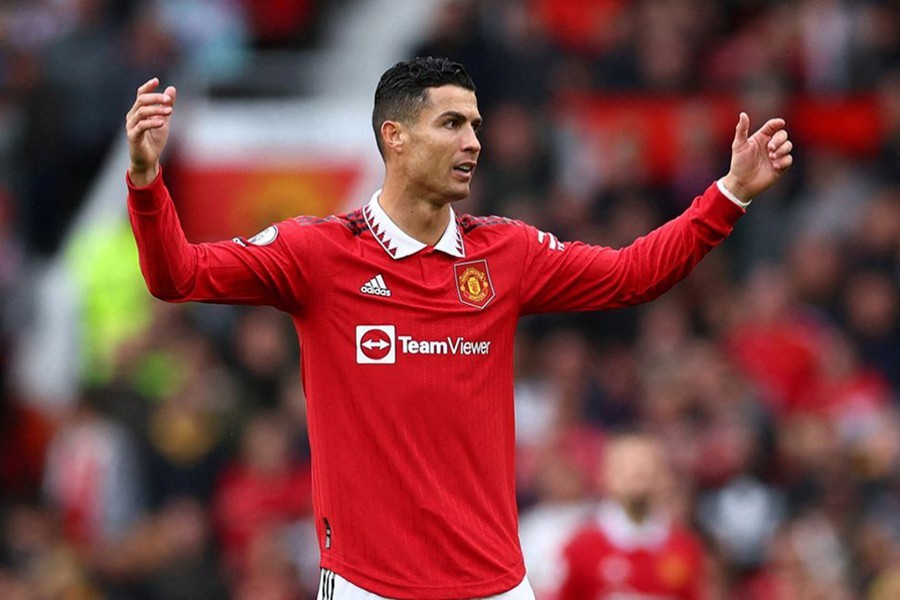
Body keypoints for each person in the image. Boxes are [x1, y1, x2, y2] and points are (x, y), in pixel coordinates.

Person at [124, 56, 793, 599]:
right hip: (369, 585)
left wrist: (728, 194)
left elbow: (632, 275)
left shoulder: (506, 253)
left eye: (474, 124)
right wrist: (148, 180)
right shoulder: (318, 254)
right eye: (451, 123)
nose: (473, 141)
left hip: (495, 585)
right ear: (397, 136)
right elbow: (176, 276)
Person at [554, 433, 708, 600]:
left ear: (664, 477)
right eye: (627, 467)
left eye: (647, 466)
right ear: (606, 476)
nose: (638, 474)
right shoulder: (580, 547)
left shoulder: (684, 547)